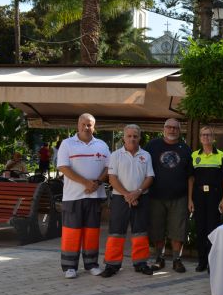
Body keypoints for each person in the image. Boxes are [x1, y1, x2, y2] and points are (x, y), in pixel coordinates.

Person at [57, 113, 110, 279]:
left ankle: (91, 264)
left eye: (90, 125)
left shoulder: (102, 145)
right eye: (83, 124)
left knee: (92, 233)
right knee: (71, 234)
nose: (86, 128)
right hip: (73, 197)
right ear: (78, 125)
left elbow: (109, 167)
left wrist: (97, 182)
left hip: (95, 197)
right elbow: (63, 168)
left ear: (94, 127)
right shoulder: (67, 144)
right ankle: (69, 267)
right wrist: (86, 183)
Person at [100, 124, 155, 278]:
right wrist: (127, 195)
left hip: (141, 197)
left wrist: (137, 193)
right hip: (120, 198)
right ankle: (112, 264)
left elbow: (149, 177)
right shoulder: (116, 155)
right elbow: (112, 178)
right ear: (123, 137)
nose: (132, 139)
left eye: (135, 136)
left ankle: (141, 263)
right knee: (116, 232)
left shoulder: (146, 155)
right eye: (129, 136)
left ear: (139, 137)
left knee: (140, 232)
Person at [144, 118, 193, 273]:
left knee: (178, 230)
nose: (172, 130)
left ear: (179, 130)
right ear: (163, 129)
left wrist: (190, 198)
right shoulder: (152, 146)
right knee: (157, 230)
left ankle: (177, 260)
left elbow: (191, 176)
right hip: (155, 196)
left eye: (175, 128)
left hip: (179, 197)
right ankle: (160, 258)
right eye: (169, 127)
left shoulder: (185, 149)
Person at [188, 126, 223, 272]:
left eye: (209, 135)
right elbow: (191, 179)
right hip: (198, 196)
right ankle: (202, 261)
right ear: (200, 137)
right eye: (203, 135)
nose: (206, 137)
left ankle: (212, 262)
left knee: (213, 229)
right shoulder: (194, 156)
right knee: (200, 229)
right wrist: (190, 200)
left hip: (215, 196)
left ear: (213, 138)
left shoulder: (221, 155)